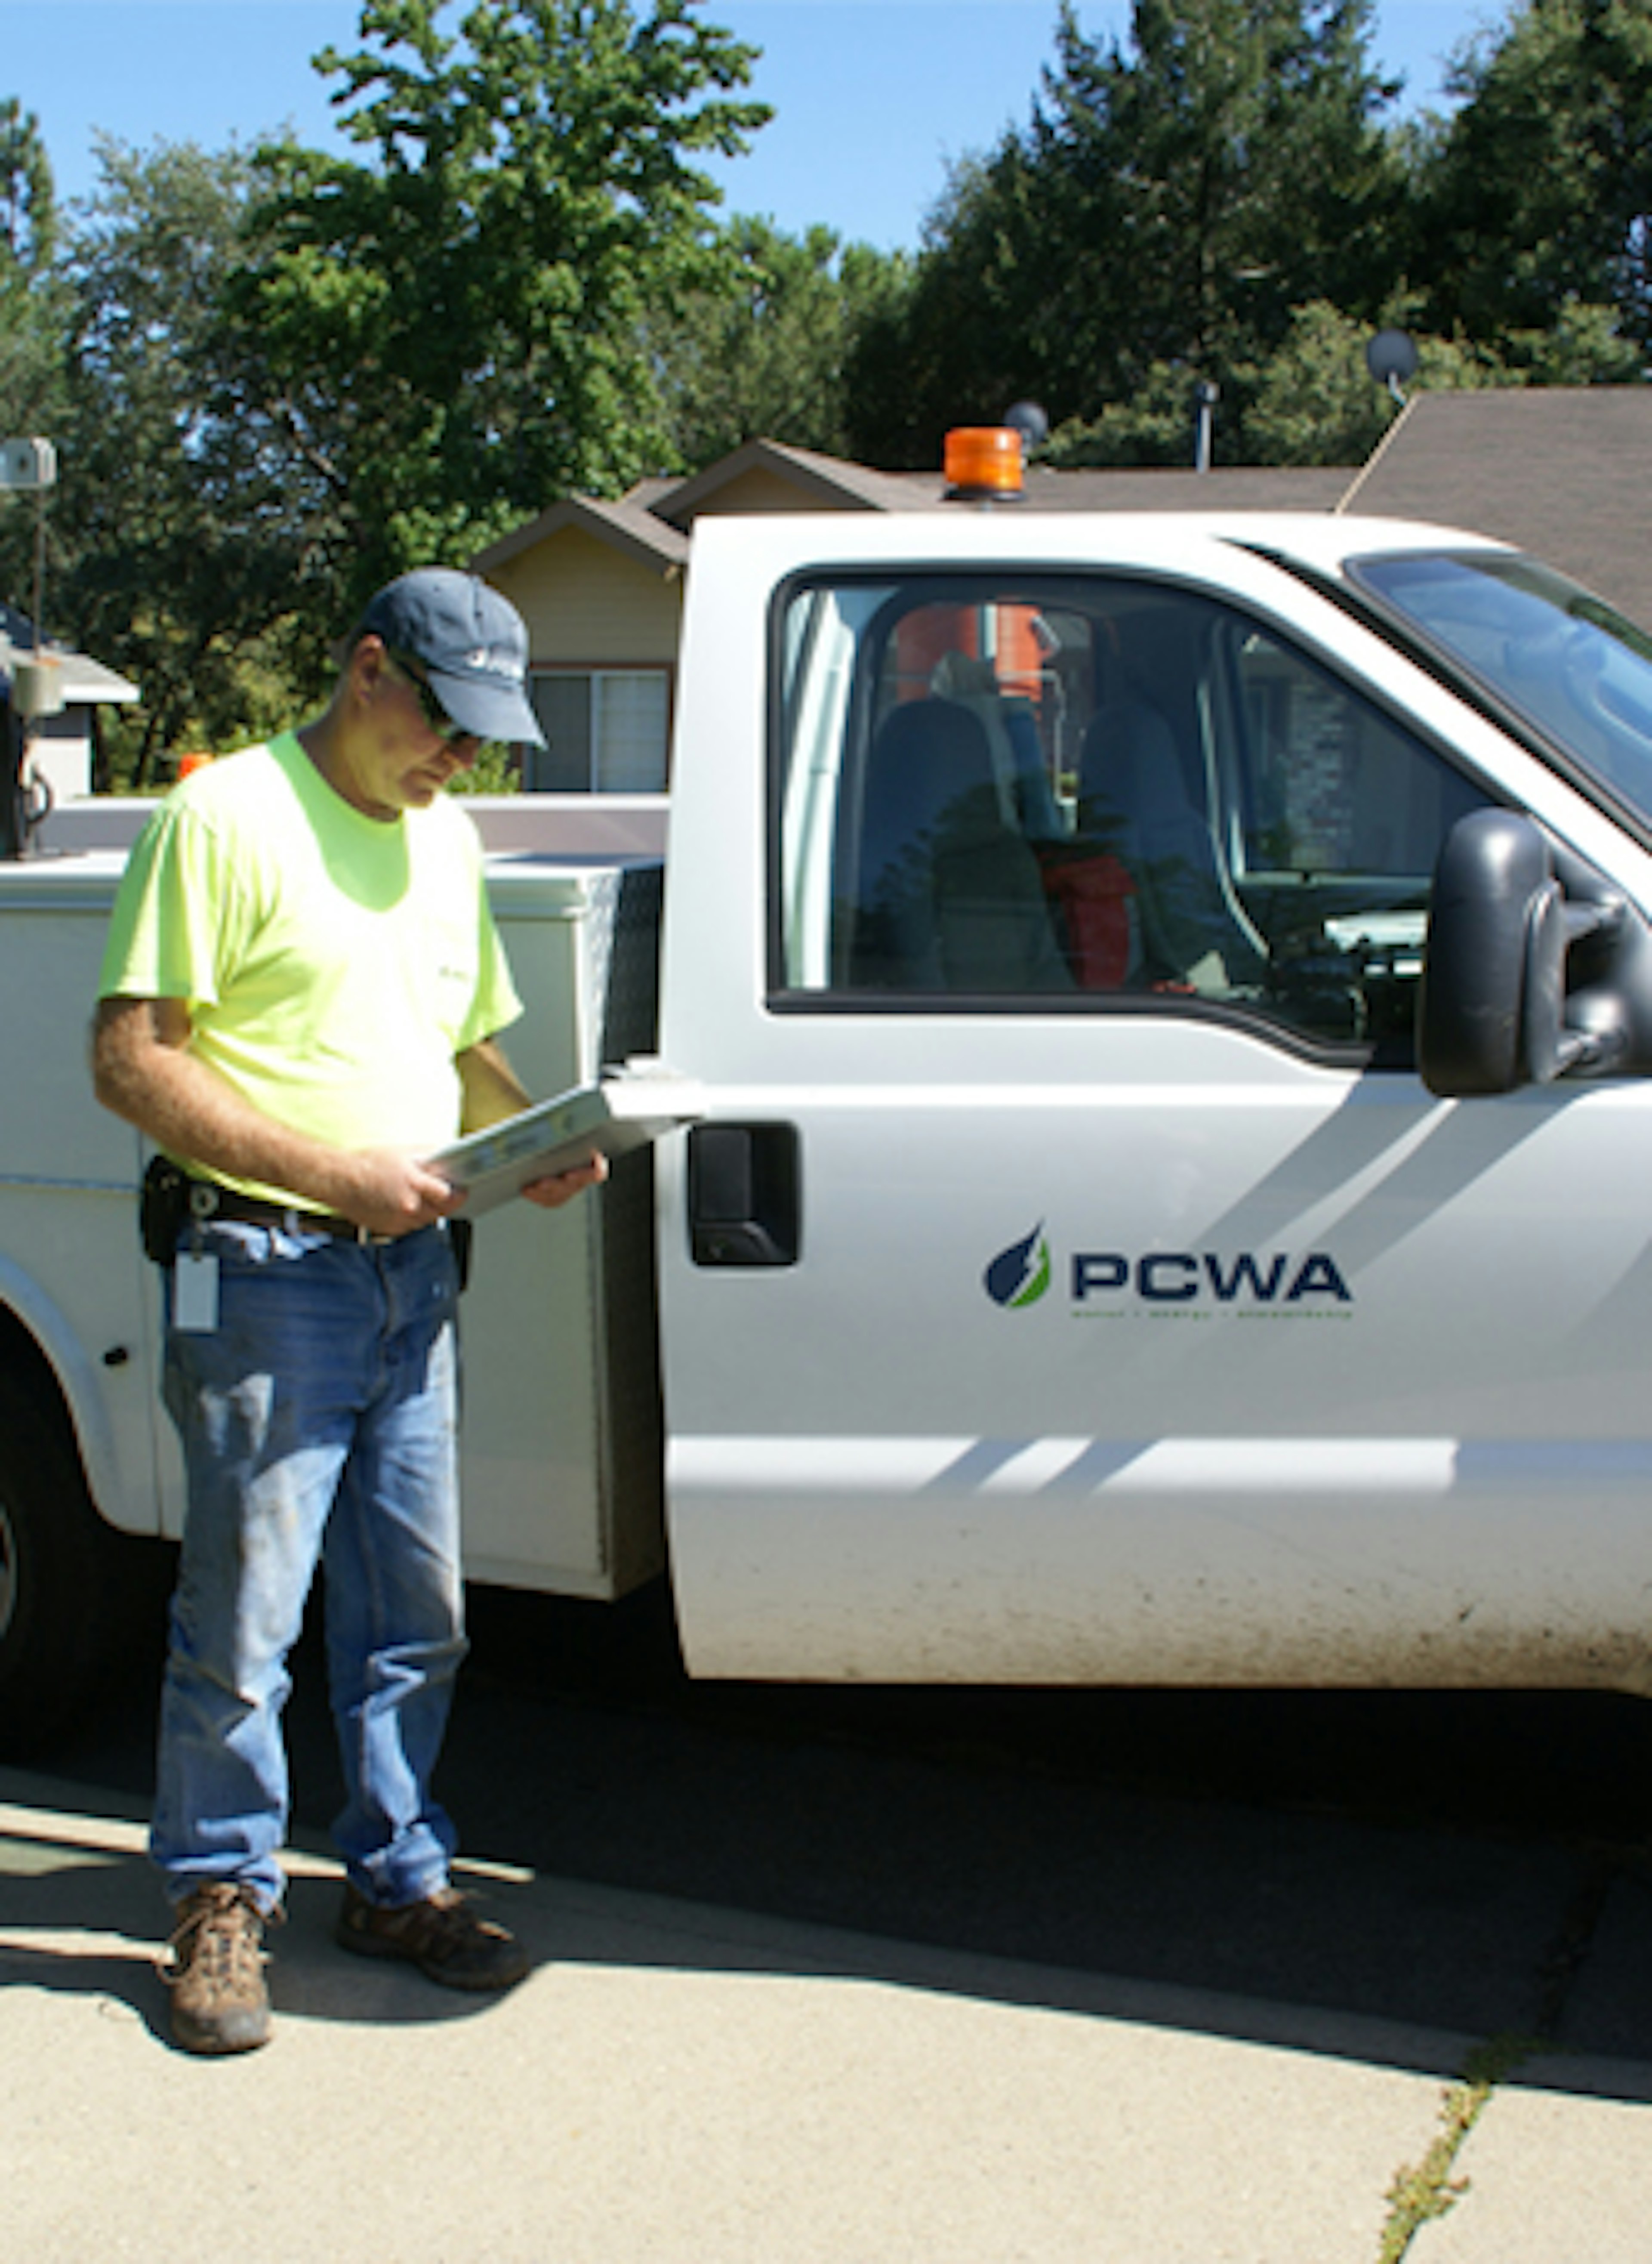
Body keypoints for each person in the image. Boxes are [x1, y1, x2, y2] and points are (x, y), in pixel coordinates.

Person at [91, 567, 604, 2056]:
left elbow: (465, 1046)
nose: (464, 762)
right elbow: (132, 1059)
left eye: (487, 744)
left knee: (413, 1613)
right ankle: (216, 1902)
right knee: (244, 1616)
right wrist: (337, 1176)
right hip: (266, 1270)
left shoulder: (448, 842)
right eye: (449, 726)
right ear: (368, 671)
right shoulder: (225, 818)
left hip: (411, 1276)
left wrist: (542, 1138)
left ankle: (395, 1878)